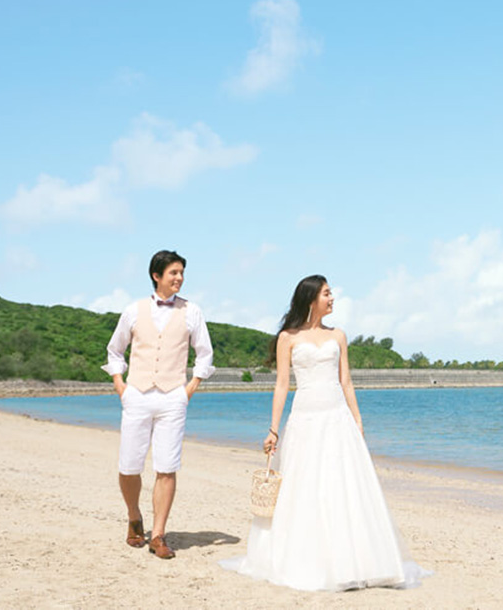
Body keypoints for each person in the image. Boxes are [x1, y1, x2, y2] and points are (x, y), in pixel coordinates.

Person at [220, 275, 426, 590]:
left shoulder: (339, 335)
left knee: (343, 486)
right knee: (306, 488)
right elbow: (281, 385)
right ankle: (310, 560)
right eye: (327, 294)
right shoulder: (287, 338)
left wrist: (357, 420)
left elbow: (346, 381)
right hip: (304, 418)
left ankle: (356, 562)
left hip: (337, 417)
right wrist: (273, 430)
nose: (333, 299)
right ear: (311, 298)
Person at [102, 249, 214, 559]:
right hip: (136, 394)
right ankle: (134, 517)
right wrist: (120, 385)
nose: (179, 278)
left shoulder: (192, 312)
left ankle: (159, 534)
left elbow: (205, 354)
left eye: (181, 273)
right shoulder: (134, 310)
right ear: (157, 276)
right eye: (173, 273)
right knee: (129, 466)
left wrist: (190, 388)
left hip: (173, 398)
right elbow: (115, 350)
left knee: (167, 467)